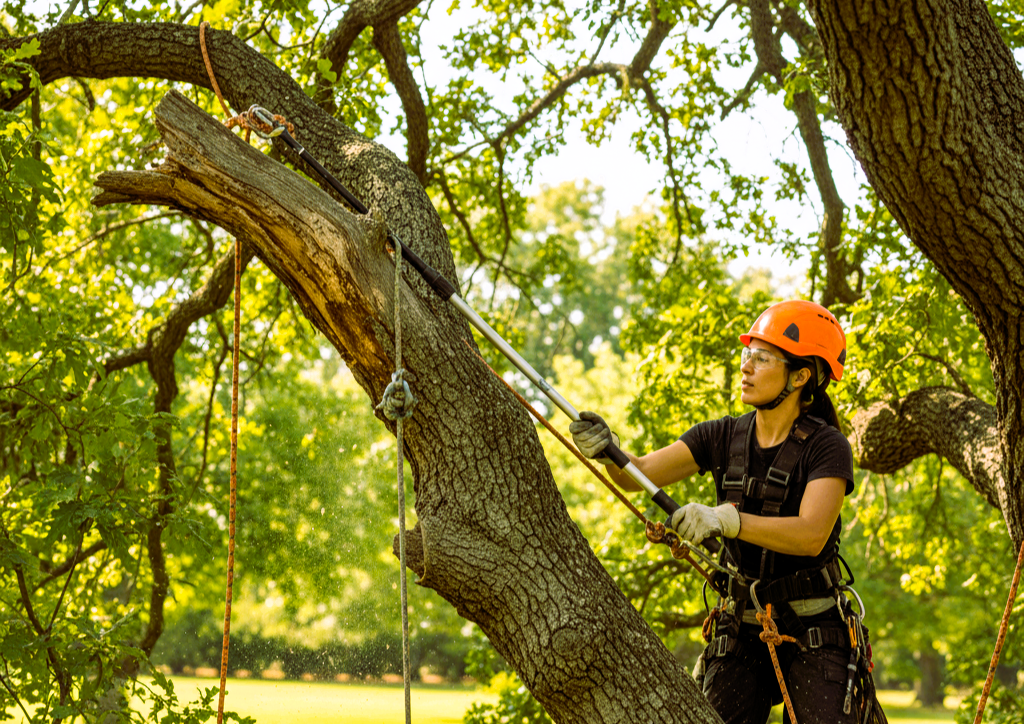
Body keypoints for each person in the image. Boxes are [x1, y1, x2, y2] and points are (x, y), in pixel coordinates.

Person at [570, 300, 885, 724]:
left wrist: (727, 520)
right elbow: (638, 475)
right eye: (746, 355)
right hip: (740, 629)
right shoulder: (721, 435)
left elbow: (811, 534)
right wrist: (607, 450)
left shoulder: (826, 447)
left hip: (815, 629)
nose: (746, 367)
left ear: (801, 375)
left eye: (762, 357)